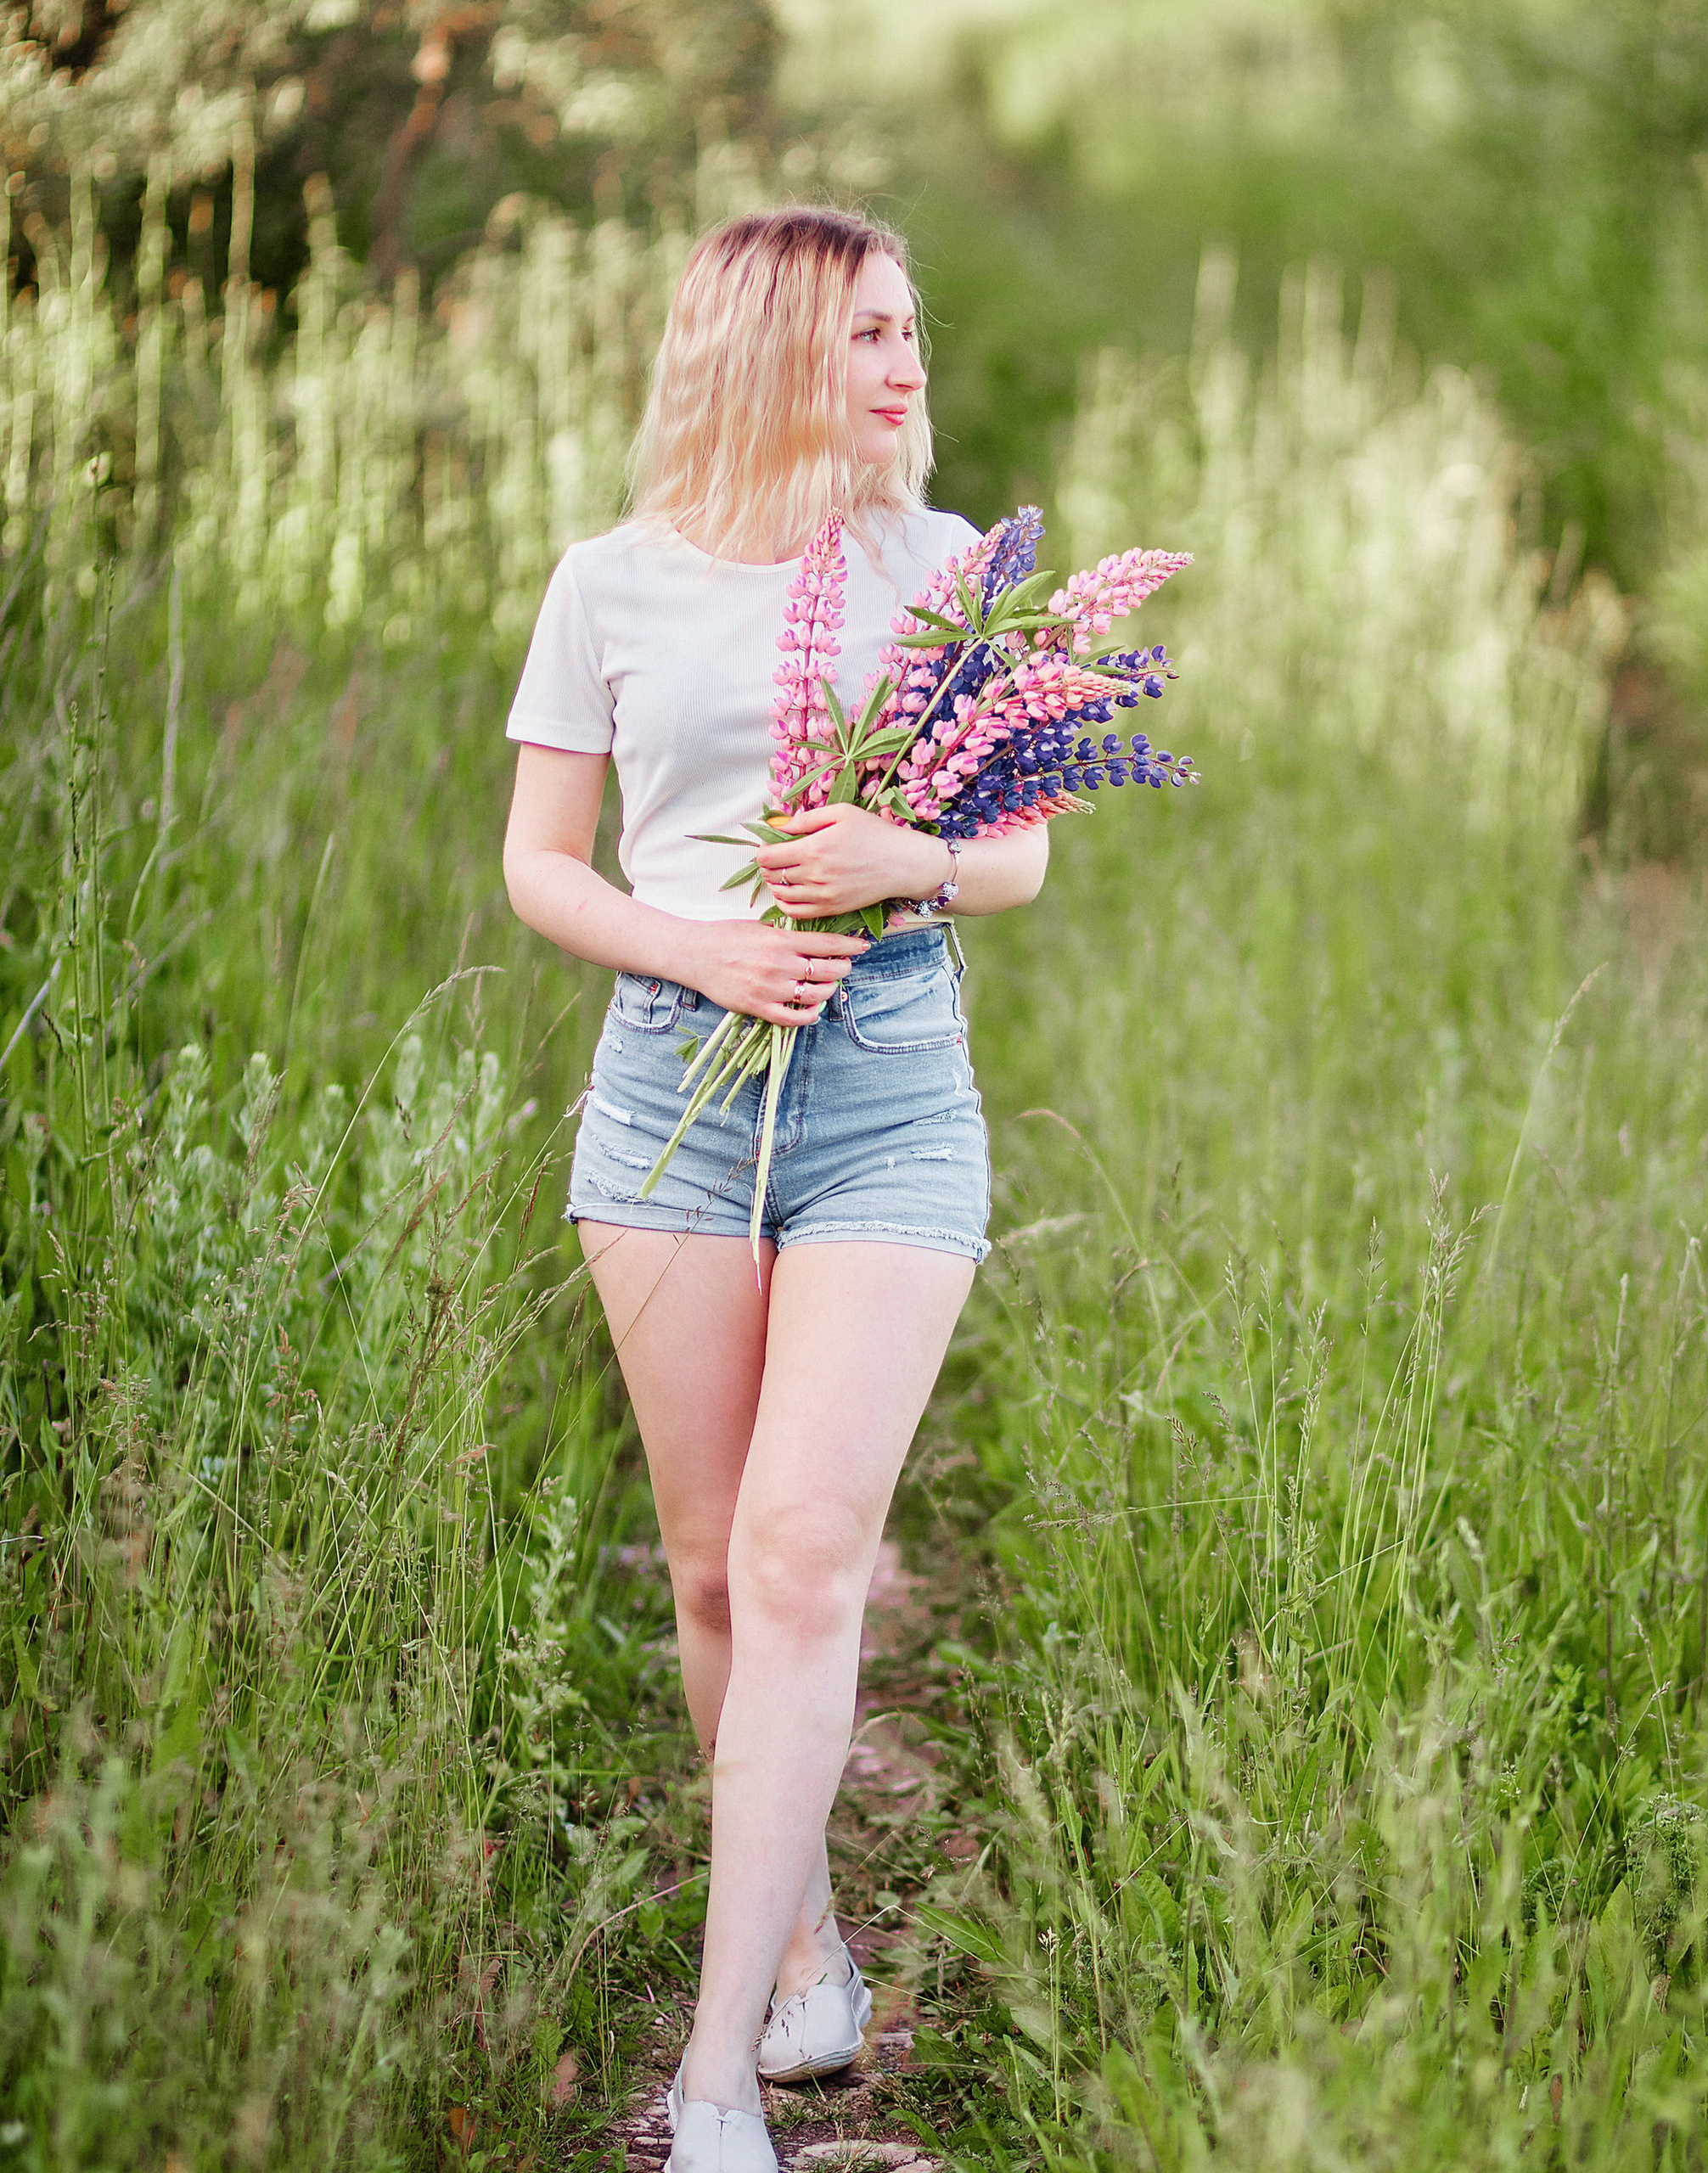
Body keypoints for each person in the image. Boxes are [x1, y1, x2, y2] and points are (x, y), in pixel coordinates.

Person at [501, 207, 1044, 2173]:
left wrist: (892, 849)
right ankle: (807, 1928)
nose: (907, 363)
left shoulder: (948, 567)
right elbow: (539, 862)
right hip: (670, 1086)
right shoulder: (612, 581)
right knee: (718, 1559)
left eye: (914, 327)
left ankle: (720, 2067)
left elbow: (1019, 860)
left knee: (812, 1554)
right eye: (866, 332)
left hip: (888, 1087)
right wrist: (699, 945)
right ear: (763, 345)